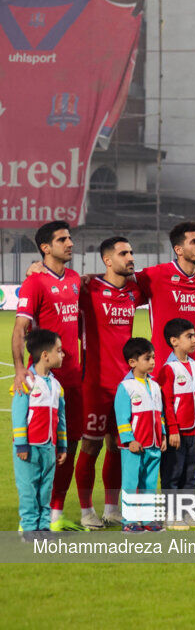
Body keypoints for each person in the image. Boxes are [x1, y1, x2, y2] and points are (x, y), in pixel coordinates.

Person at [13, 220, 84, 531]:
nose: (69, 243)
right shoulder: (35, 282)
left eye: (69, 238)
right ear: (45, 247)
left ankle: (53, 514)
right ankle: (32, 520)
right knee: (36, 453)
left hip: (72, 378)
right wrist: (19, 371)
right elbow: (19, 330)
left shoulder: (74, 279)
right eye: (62, 239)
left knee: (67, 446)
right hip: (44, 380)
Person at [76, 236, 144, 529]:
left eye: (131, 251)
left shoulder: (133, 291)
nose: (130, 257)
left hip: (126, 386)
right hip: (95, 384)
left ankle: (112, 508)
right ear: (107, 260)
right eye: (123, 253)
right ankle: (85, 510)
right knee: (90, 448)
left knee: (120, 447)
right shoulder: (88, 289)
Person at [12, 329, 67, 536]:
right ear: (45, 355)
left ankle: (43, 527)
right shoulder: (25, 382)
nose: (62, 355)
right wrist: (22, 445)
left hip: (49, 448)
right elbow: (18, 416)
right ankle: (28, 528)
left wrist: (61, 446)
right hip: (29, 449)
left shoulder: (57, 385)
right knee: (28, 491)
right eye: (59, 351)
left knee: (45, 491)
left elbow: (61, 420)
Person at [136, 222, 195, 366]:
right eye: (194, 242)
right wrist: (92, 277)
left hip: (193, 364)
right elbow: (123, 277)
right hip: (163, 364)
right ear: (179, 249)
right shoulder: (158, 274)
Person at [113, 338, 166, 533]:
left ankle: (148, 519)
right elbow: (122, 418)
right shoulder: (125, 387)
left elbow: (160, 415)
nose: (152, 362)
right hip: (134, 447)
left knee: (149, 484)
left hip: (154, 444)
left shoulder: (155, 385)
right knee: (131, 484)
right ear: (132, 362)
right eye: (147, 358)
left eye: (153, 357)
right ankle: (129, 522)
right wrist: (129, 440)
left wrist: (164, 436)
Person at [157, 318, 195, 504]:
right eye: (189, 336)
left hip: (193, 431)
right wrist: (173, 429)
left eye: (194, 336)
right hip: (176, 434)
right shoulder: (168, 369)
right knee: (173, 474)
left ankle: (188, 511)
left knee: (190, 475)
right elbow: (166, 403)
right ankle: (171, 513)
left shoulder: (194, 365)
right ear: (174, 341)